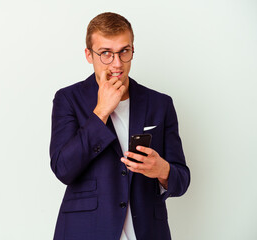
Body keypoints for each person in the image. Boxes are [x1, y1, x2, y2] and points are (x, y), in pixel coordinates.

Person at [50, 12, 190, 240]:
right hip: (86, 231)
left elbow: (182, 179)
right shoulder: (68, 99)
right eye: (106, 53)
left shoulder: (160, 104)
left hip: (147, 232)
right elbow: (63, 169)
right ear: (89, 55)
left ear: (132, 50)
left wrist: (162, 170)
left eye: (124, 51)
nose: (117, 63)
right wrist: (101, 111)